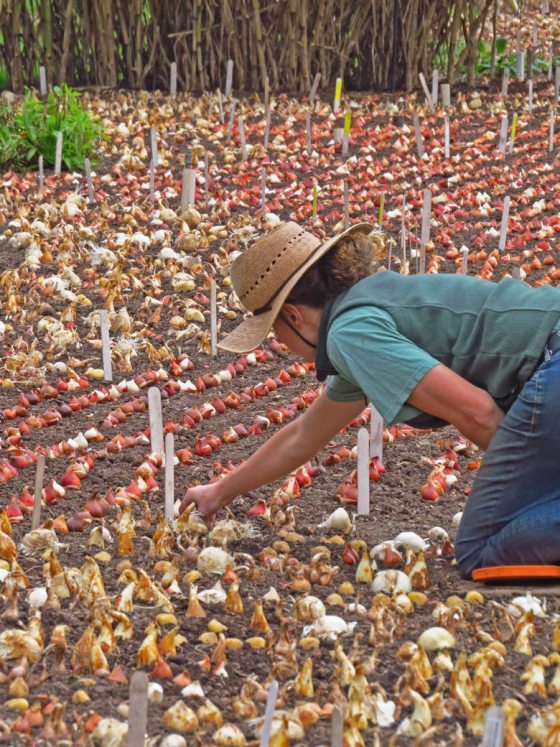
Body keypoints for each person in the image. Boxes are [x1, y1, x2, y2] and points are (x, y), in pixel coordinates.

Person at [180, 220, 560, 578]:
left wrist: (533, 476)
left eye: (274, 332)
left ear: (293, 317)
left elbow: (478, 413)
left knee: (482, 550)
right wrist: (218, 492)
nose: (282, 345)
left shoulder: (351, 332)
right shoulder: (361, 313)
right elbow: (304, 436)